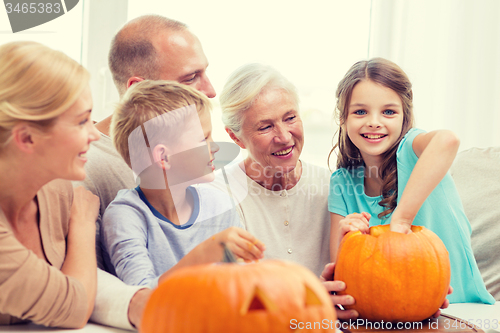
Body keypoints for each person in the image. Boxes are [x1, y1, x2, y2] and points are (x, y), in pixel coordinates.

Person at [73, 15, 218, 329]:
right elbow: (94, 287)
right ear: (139, 89)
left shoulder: (199, 179)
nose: (211, 90)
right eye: (192, 76)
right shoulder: (84, 170)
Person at [328, 57, 494, 304]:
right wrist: (347, 236)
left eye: (388, 112)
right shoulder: (342, 181)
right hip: (389, 316)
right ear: (343, 118)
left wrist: (401, 219)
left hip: (461, 308)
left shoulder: (412, 151)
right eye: (360, 111)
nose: (374, 121)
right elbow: (340, 276)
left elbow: (448, 140)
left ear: (405, 117)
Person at [101, 80, 264, 287]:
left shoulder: (219, 205)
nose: (214, 147)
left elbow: (247, 284)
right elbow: (141, 296)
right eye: (203, 138)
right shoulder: (126, 216)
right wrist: (204, 254)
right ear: (164, 157)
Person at [0, 41, 100, 327]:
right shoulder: (76, 209)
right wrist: (82, 226)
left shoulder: (55, 189)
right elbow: (75, 308)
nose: (94, 134)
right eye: (82, 122)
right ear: (27, 138)